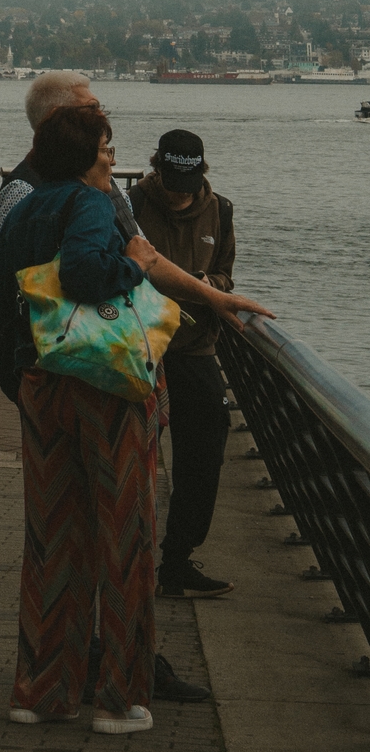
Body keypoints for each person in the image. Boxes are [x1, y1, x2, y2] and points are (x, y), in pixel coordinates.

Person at [0, 101, 271, 733]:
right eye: (107, 148)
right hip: (106, 388)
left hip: (41, 383)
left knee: (54, 541)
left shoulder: (20, 207)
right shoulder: (90, 204)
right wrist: (136, 265)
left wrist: (21, 379)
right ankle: (120, 699)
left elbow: (9, 308)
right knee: (125, 541)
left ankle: (39, 692)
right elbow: (89, 276)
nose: (113, 159)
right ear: (86, 156)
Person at [133, 129, 237, 600]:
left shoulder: (222, 210)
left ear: (202, 173)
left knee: (207, 446)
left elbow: (225, 276)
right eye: (172, 180)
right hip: (139, 348)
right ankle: (128, 559)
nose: (180, 192)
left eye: (189, 181)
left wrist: (203, 282)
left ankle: (177, 559)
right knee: (133, 455)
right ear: (157, 168)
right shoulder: (128, 205)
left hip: (195, 348)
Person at [0, 73, 141, 246]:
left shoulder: (104, 180)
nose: (101, 115)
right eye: (92, 108)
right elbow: (19, 261)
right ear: (57, 117)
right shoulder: (22, 188)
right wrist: (132, 264)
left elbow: (140, 244)